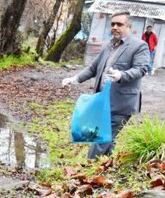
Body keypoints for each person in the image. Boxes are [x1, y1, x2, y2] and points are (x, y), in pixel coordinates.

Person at [62, 11, 149, 159]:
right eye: (113, 24)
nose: (115, 27)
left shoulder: (139, 46)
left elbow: (141, 69)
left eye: (119, 24)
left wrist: (122, 75)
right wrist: (75, 78)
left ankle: (87, 167)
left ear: (128, 26)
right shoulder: (108, 45)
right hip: (103, 100)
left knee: (101, 137)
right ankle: (106, 168)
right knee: (109, 137)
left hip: (122, 103)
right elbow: (93, 68)